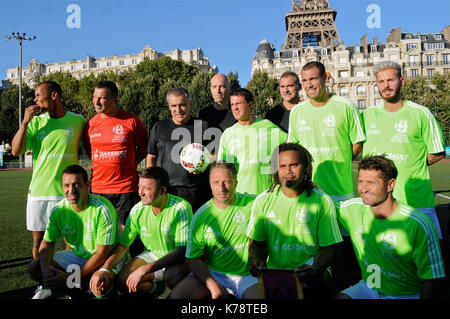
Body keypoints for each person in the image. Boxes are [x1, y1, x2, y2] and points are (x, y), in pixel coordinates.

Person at [335, 155, 445, 299]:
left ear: (390, 184)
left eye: (370, 182)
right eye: (360, 181)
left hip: (406, 294)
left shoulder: (418, 224)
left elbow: (433, 279)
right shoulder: (353, 209)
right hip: (370, 287)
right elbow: (323, 203)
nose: (363, 189)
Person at [247, 143, 343, 299]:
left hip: (312, 272)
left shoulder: (322, 201)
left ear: (305, 167)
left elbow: (329, 248)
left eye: (294, 165)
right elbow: (255, 243)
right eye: (282, 166)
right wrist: (256, 260)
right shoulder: (263, 200)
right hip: (276, 274)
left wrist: (315, 268)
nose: (288, 171)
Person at [362, 61, 446, 238]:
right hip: (379, 201)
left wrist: (412, 163)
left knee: (431, 254)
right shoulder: (367, 115)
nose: (386, 86)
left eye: (390, 80)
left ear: (402, 81)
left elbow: (438, 152)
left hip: (416, 200)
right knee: (387, 257)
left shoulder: (421, 113)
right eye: (381, 81)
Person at [89, 166, 192, 298]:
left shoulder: (181, 208)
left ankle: (169, 285)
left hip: (177, 259)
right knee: (123, 281)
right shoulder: (137, 210)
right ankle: (157, 289)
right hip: (152, 255)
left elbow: (181, 252)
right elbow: (123, 245)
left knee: (171, 277)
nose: (140, 193)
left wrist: (146, 269)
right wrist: (105, 269)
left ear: (162, 190)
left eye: (147, 188)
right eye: (139, 187)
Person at [11, 81, 85, 259]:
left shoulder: (77, 121)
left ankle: (70, 282)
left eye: (37, 95)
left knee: (72, 242)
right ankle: (43, 282)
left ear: (54, 95)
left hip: (68, 193)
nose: (34, 99)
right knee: (40, 243)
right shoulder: (35, 123)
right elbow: (16, 151)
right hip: (40, 192)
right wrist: (24, 123)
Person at [170, 162, 259, 299]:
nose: (221, 188)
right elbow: (192, 258)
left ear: (236, 183)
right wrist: (212, 285)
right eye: (215, 182)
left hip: (247, 276)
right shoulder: (202, 215)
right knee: (177, 297)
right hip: (214, 274)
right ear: (209, 184)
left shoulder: (254, 204)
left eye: (227, 182)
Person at [27, 165, 119, 299]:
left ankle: (105, 287)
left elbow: (102, 253)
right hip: (78, 256)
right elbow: (47, 243)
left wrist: (71, 276)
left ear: (87, 186)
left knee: (100, 288)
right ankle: (73, 291)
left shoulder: (102, 209)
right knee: (36, 266)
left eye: (76, 185)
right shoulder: (59, 210)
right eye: (67, 185)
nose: (71, 190)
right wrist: (46, 269)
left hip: (107, 257)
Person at [288, 61, 365, 203]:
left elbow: (358, 143)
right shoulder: (296, 112)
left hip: (340, 190)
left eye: (313, 79)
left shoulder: (346, 106)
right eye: (304, 80)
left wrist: (341, 160)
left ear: (325, 78)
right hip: (309, 190)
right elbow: (294, 149)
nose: (309, 84)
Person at [85, 80, 148, 230]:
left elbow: (144, 148)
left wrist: (129, 162)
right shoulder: (90, 124)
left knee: (125, 235)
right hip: (98, 188)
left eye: (102, 98)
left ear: (115, 100)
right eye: (95, 97)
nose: (97, 102)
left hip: (125, 189)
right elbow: (90, 151)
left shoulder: (132, 121)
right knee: (100, 234)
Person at [146, 87, 212, 212]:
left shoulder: (202, 126)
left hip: (197, 191)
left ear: (190, 104)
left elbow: (213, 155)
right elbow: (151, 156)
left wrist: (204, 165)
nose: (178, 110)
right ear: (169, 106)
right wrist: (151, 181)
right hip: (167, 190)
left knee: (196, 229)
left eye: (182, 105)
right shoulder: (159, 127)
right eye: (174, 106)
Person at [217, 88, 287, 195]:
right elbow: (224, 168)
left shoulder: (268, 126)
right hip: (240, 197)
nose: (235, 108)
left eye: (238, 103)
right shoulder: (228, 134)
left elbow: (292, 145)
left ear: (250, 105)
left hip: (267, 195)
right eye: (232, 104)